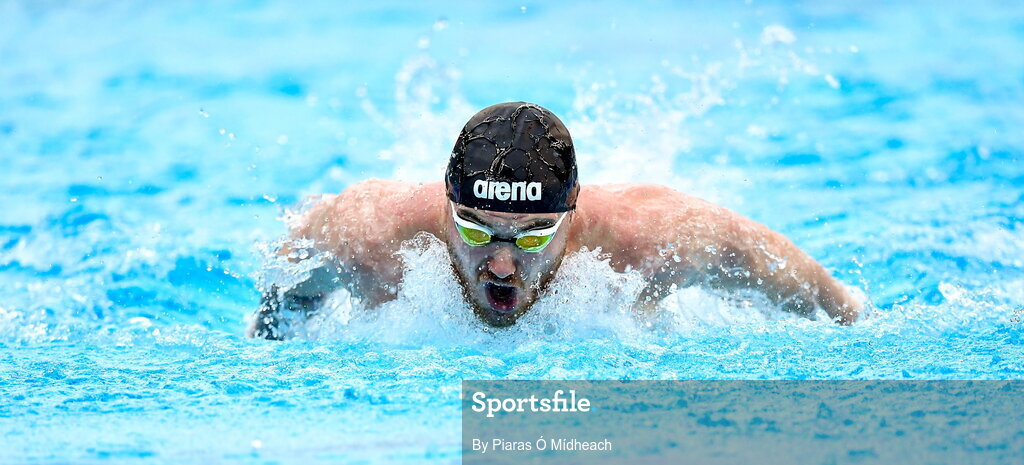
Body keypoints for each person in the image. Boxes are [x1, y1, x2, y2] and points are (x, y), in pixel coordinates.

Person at [249, 101, 861, 339]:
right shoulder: (369, 234)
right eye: (475, 228)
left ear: (572, 210)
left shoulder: (653, 241)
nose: (503, 262)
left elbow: (829, 302)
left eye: (534, 233)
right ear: (444, 204)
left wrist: (853, 320)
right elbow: (275, 304)